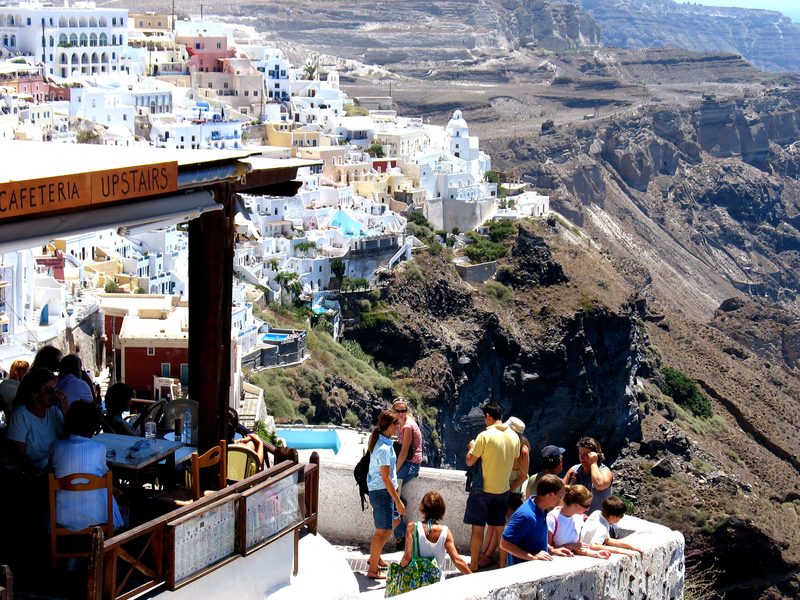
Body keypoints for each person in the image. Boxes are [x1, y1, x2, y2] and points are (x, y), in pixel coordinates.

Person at [50, 401, 124, 531]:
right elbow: (104, 473)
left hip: (63, 516)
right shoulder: (99, 448)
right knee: (109, 488)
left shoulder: (56, 447)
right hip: (98, 515)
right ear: (93, 425)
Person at [463, 401, 520, 571]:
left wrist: (472, 447)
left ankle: (473, 565)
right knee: (500, 528)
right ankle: (502, 563)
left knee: (478, 529)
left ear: (488, 416)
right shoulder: (514, 437)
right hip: (503, 490)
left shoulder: (484, 436)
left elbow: (469, 460)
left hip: (482, 490)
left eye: (484, 418)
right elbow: (516, 463)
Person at [366, 409, 406, 579]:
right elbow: (386, 479)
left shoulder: (384, 443)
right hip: (383, 493)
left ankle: (375, 557)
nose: (399, 426)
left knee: (394, 521)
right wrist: (398, 501)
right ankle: (373, 570)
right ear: (390, 426)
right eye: (397, 423)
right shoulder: (383, 448)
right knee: (382, 531)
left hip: (384, 492)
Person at [399, 491, 471, 581]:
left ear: (422, 508)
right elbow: (457, 560)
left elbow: (407, 557)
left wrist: (399, 571)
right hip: (436, 581)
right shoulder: (445, 532)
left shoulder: (412, 528)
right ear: (441, 510)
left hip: (416, 580)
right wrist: (473, 578)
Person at [487, 416, 530, 568]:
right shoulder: (508, 445)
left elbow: (523, 475)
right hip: (503, 487)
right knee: (496, 523)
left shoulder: (523, 450)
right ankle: (490, 556)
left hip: (514, 491)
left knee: (506, 526)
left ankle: (502, 562)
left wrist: (508, 490)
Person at [500, 474, 570, 565]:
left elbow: (535, 539)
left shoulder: (542, 509)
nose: (562, 499)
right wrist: (532, 557)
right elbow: (505, 543)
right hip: (522, 574)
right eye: (560, 496)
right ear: (551, 494)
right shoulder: (525, 515)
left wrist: (552, 550)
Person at [6, 368, 65, 472]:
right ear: (34, 393)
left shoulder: (54, 412)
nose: (54, 394)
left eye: (55, 389)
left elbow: (69, 439)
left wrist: (65, 409)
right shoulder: (20, 416)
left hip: (49, 470)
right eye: (48, 390)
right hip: (26, 474)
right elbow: (19, 455)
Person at [546, 484, 611, 559]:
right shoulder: (552, 519)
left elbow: (577, 547)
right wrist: (570, 546)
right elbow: (547, 548)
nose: (588, 510)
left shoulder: (578, 518)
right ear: (576, 505)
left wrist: (595, 554)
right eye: (586, 506)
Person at [392, 397, 423, 547]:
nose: (401, 413)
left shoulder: (407, 427)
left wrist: (394, 472)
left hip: (410, 465)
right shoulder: (404, 422)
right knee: (394, 496)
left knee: (391, 495)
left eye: (403, 410)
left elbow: (404, 453)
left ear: (407, 410)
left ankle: (402, 535)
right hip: (408, 463)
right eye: (397, 411)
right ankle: (400, 502)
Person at [563, 436, 613, 513]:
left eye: (586, 454)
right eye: (580, 453)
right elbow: (562, 490)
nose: (582, 457)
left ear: (595, 455)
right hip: (575, 520)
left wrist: (593, 463)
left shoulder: (604, 471)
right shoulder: (574, 470)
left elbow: (600, 485)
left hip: (597, 521)